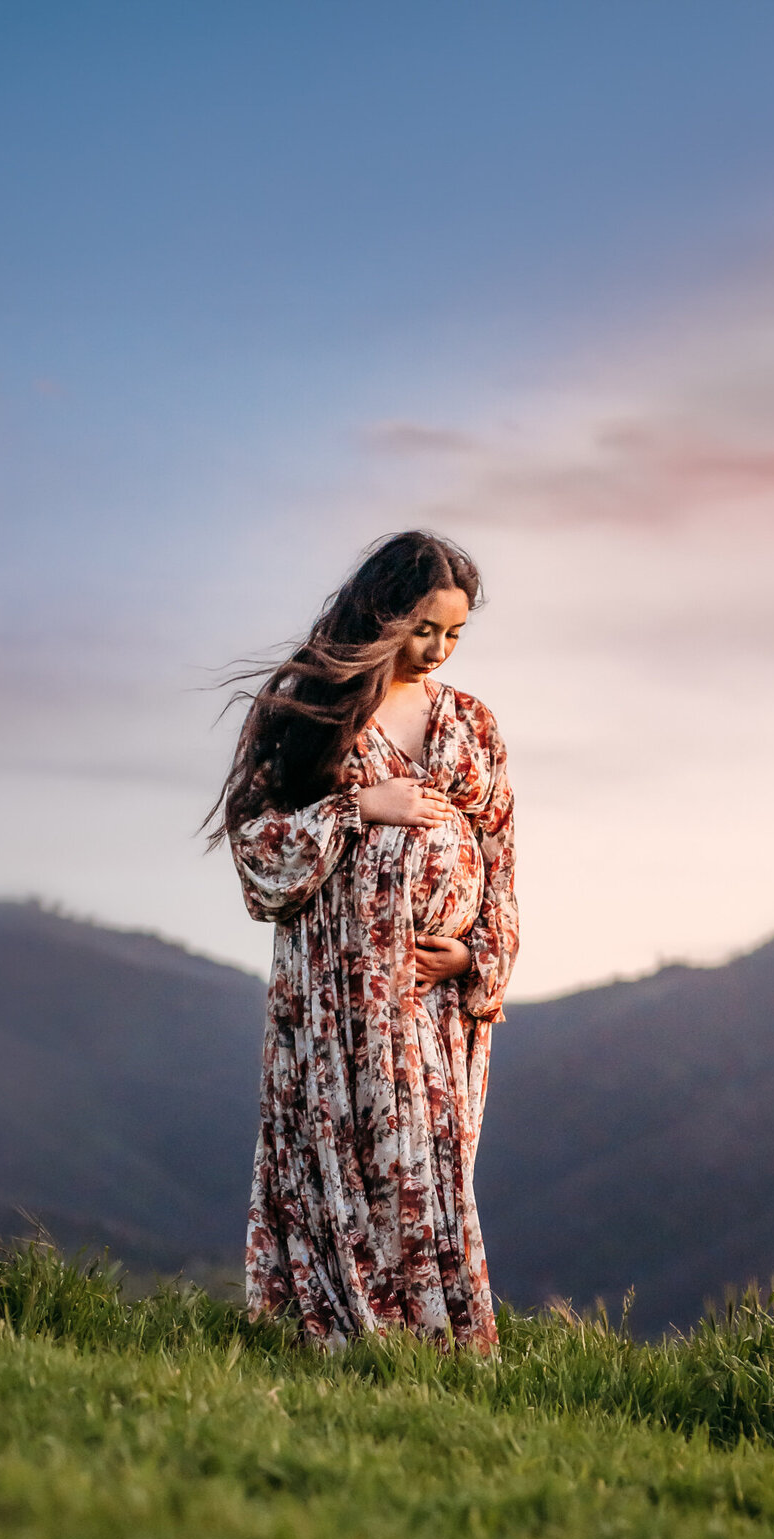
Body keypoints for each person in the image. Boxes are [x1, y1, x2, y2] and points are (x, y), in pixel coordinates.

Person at [209, 530, 519, 1350]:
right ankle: (347, 1335)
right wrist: (356, 809)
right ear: (380, 611)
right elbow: (258, 848)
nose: (438, 650)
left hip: (430, 996)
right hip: (336, 996)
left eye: (454, 634)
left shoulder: (472, 726)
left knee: (425, 1163)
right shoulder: (308, 710)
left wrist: (476, 955)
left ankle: (436, 1343)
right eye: (424, 628)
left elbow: (500, 854)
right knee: (345, 1154)